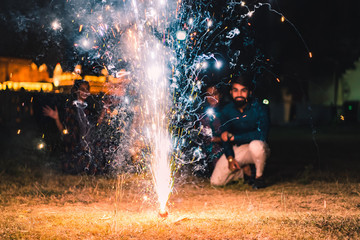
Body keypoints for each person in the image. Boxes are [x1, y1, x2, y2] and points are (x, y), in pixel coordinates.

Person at [210, 75, 270, 189]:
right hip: (239, 149)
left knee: (256, 146)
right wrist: (230, 158)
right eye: (236, 90)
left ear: (250, 92)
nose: (239, 94)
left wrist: (234, 137)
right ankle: (245, 173)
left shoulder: (259, 108)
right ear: (231, 92)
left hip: (260, 148)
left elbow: (261, 135)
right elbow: (225, 137)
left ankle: (259, 177)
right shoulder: (227, 111)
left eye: (243, 90)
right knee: (216, 181)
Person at [43, 79, 102, 174]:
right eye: (82, 89)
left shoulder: (89, 109)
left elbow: (96, 123)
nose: (85, 92)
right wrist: (57, 118)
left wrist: (104, 109)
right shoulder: (71, 108)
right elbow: (65, 130)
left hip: (88, 146)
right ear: (76, 90)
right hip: (76, 149)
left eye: (87, 89)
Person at [196, 84, 223, 177]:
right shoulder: (202, 114)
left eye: (215, 94)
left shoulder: (226, 112)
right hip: (206, 149)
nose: (212, 97)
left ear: (220, 95)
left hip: (222, 148)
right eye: (209, 95)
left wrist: (219, 139)